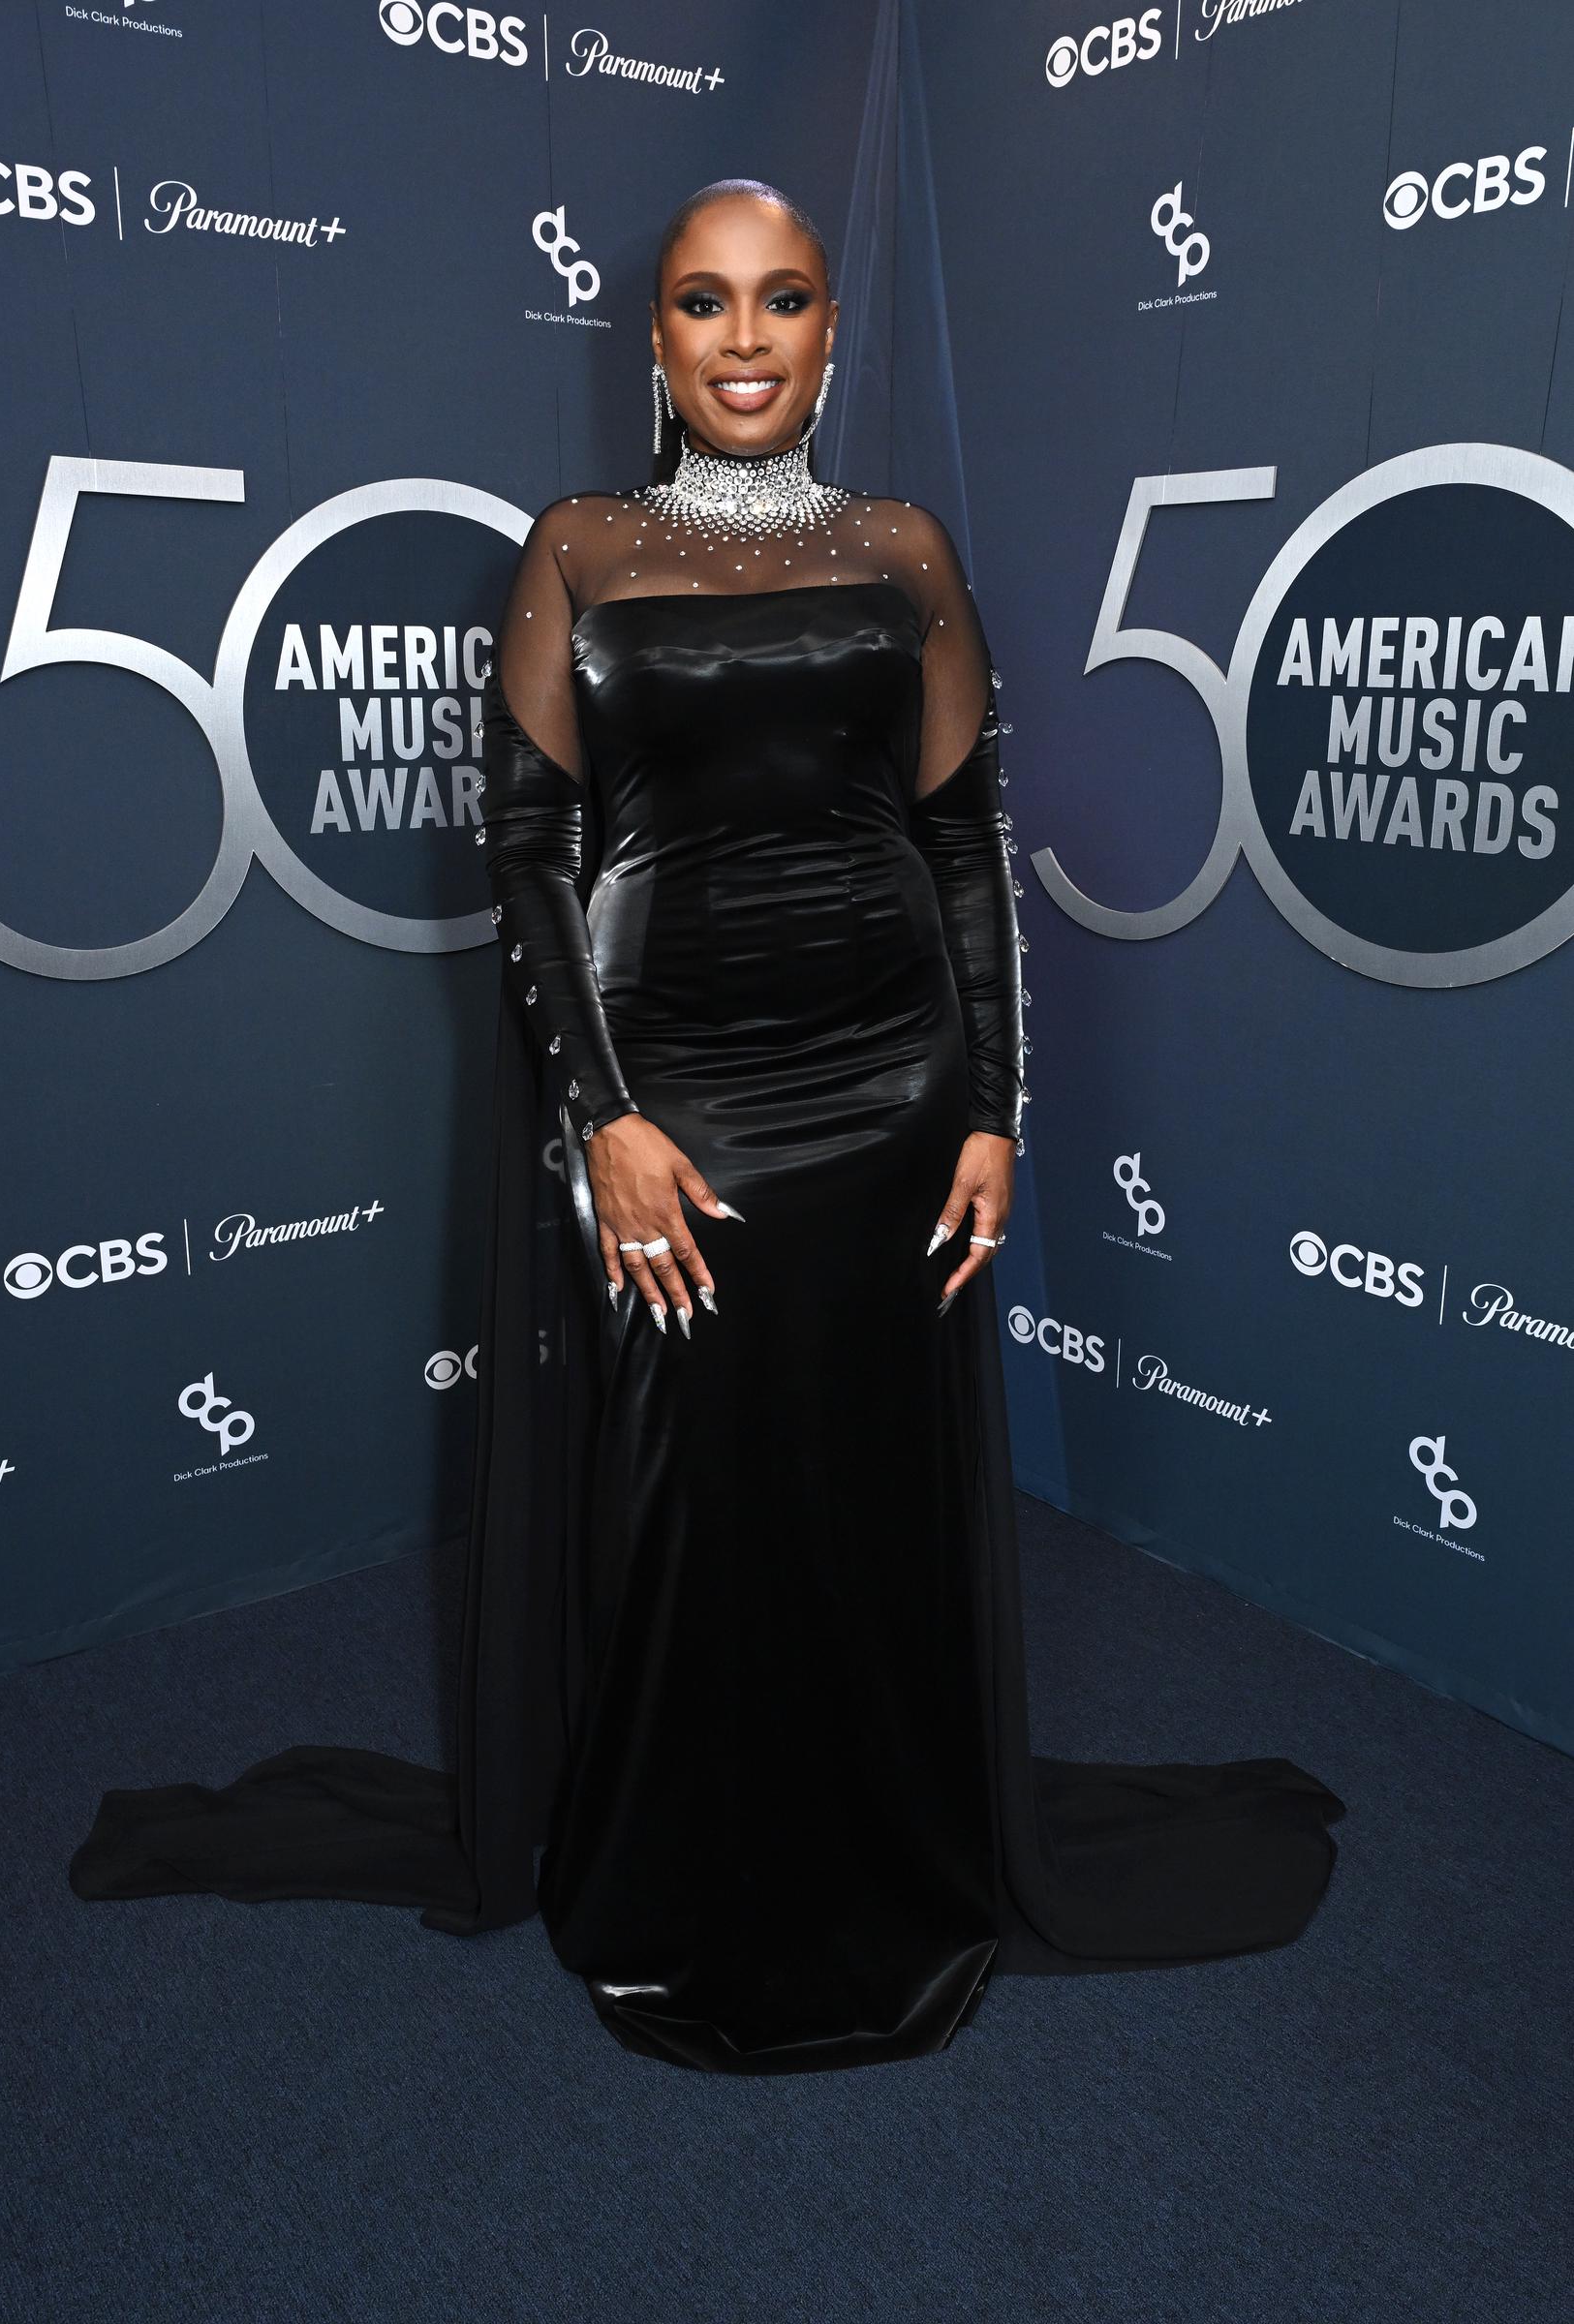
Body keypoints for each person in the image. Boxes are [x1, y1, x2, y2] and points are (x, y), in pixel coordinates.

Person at [70, 179, 1344, 2076]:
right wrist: (604, 1119)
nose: (743, 340)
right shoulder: (572, 548)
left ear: (828, 332)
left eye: (781, 302)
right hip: (679, 1099)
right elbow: (523, 858)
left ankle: (888, 1850)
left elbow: (960, 853)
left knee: (865, 1491)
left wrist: (990, 1113)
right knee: (685, 1500)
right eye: (700, 304)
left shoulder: (906, 548)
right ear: (649, 339)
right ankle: (682, 1876)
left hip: (891, 1088)